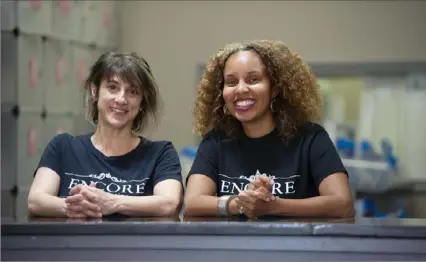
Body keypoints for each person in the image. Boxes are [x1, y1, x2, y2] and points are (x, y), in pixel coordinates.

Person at [183, 40, 354, 219]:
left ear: (274, 89)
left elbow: (342, 204)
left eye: (253, 79)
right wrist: (237, 203)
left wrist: (273, 206)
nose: (240, 89)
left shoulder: (311, 138)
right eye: (231, 82)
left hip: (294, 246)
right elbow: (191, 203)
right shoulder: (216, 141)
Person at [28, 52, 183, 218]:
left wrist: (112, 202)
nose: (121, 99)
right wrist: (75, 207)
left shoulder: (160, 153)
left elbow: (169, 204)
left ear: (142, 102)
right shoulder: (63, 146)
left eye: (132, 92)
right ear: (95, 92)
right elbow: (35, 201)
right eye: (112, 87)